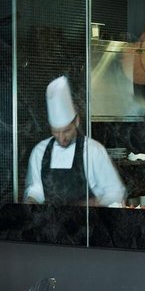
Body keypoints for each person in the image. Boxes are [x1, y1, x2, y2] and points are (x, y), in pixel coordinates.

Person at [24, 76, 126, 206]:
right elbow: (37, 189)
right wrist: (31, 201)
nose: (61, 138)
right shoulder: (40, 151)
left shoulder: (93, 150)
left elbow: (115, 192)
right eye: (55, 132)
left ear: (76, 122)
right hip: (52, 219)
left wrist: (92, 203)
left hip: (87, 219)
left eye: (66, 131)